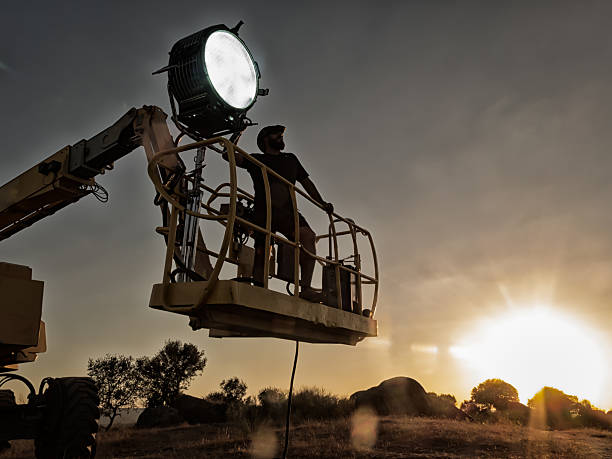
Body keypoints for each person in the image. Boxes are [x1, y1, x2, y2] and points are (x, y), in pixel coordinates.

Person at [229, 125, 333, 300]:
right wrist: (238, 131)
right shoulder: (256, 160)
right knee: (263, 248)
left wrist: (322, 203)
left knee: (308, 237)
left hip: (288, 213)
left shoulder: (290, 159)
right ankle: (259, 286)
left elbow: (307, 183)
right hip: (264, 212)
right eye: (276, 134)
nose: (280, 136)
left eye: (281, 134)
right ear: (265, 140)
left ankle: (305, 288)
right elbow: (229, 156)